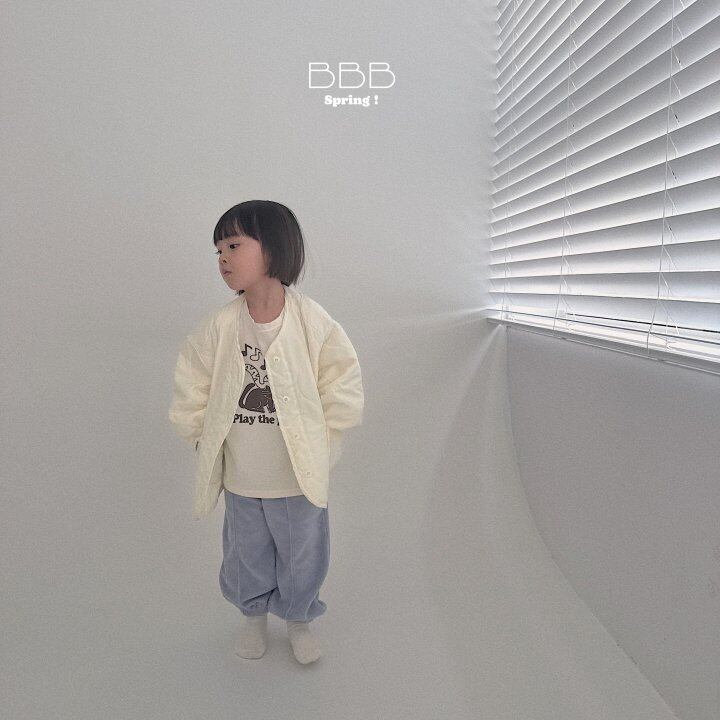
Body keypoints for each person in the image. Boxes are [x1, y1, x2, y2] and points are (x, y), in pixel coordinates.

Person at [168, 200, 364, 665]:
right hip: (243, 475)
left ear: (274, 247)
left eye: (234, 245)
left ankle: (299, 619)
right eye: (218, 250)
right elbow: (191, 384)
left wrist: (325, 441)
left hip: (296, 476)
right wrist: (201, 437)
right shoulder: (219, 327)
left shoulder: (312, 321)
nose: (223, 258)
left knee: (303, 554)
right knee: (245, 553)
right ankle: (252, 617)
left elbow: (341, 380)